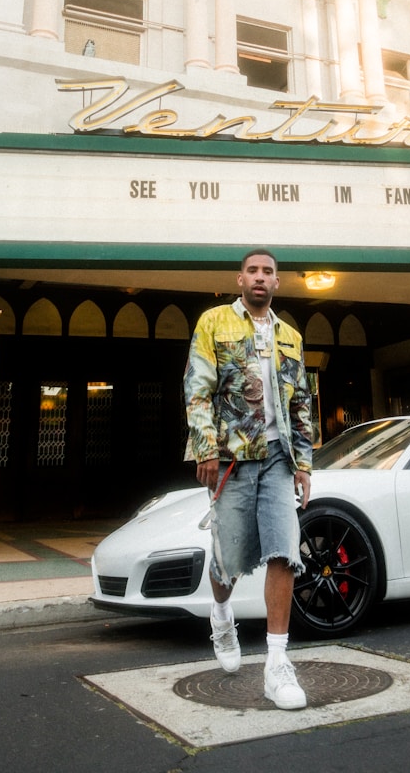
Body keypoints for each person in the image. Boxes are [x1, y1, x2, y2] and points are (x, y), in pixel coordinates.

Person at [183, 248, 313, 710]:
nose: (261, 278)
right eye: (254, 271)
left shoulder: (291, 337)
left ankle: (276, 667)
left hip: (278, 460)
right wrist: (205, 448)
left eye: (269, 272)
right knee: (229, 560)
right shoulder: (214, 321)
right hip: (232, 459)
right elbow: (197, 388)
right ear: (240, 279)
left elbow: (301, 405)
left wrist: (303, 463)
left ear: (277, 283)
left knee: (284, 551)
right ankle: (220, 614)